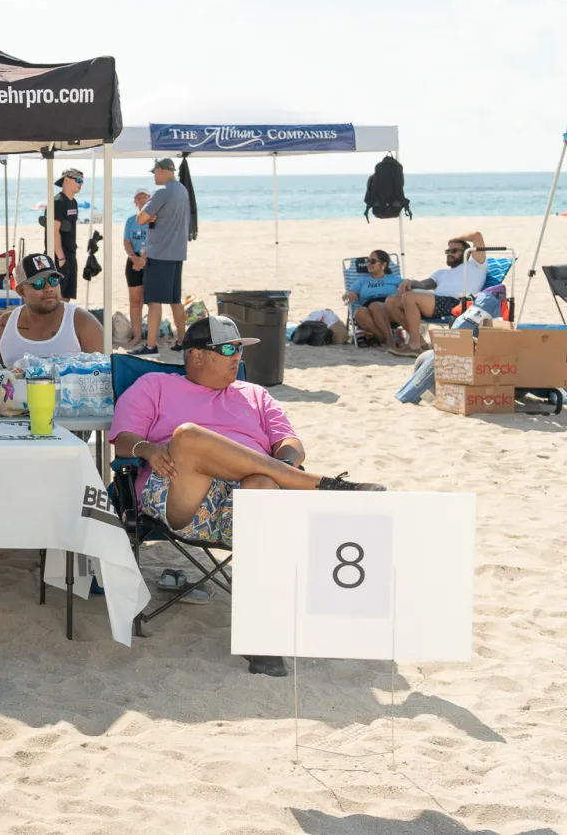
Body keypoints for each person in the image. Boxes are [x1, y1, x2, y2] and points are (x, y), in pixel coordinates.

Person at [109, 315, 386, 676]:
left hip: (244, 507)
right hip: (183, 492)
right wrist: (147, 450)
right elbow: (123, 439)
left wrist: (279, 464)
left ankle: (261, 637)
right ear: (195, 355)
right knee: (189, 437)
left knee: (263, 483)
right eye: (227, 349)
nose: (236, 356)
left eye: (239, 349)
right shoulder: (155, 385)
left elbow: (290, 444)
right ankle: (319, 486)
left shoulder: (255, 394)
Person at [383, 231, 488, 357]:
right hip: (435, 302)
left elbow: (477, 235)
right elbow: (423, 285)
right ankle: (421, 344)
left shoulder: (477, 265)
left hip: (456, 303)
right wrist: (409, 282)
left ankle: (413, 345)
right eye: (448, 251)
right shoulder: (441, 273)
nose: (449, 254)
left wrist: (454, 238)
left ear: (469, 252)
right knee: (391, 302)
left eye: (454, 251)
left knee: (409, 297)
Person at [0, 254, 104, 364]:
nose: (48, 288)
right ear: (21, 290)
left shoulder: (82, 322)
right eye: (39, 283)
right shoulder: (5, 325)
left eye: (53, 280)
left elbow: (105, 373)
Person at [133, 158, 190, 355]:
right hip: (177, 253)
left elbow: (140, 218)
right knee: (175, 300)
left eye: (155, 172)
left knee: (154, 301)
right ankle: (183, 341)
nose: (154, 176)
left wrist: (148, 214)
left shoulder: (163, 191)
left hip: (160, 253)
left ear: (162, 170)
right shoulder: (182, 190)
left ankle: (151, 346)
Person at [341, 249, 403, 348]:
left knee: (375, 305)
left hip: (390, 309)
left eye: (373, 261)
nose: (369, 264)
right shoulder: (362, 280)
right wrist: (349, 293)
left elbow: (408, 291)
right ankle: (385, 338)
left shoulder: (394, 279)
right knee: (358, 312)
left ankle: (388, 341)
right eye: (368, 261)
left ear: (383, 265)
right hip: (368, 311)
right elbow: (345, 296)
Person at [40, 167, 84, 301]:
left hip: (70, 253)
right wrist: (60, 257)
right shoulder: (57, 202)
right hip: (58, 255)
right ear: (66, 180)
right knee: (56, 295)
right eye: (77, 180)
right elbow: (53, 231)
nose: (80, 184)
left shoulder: (74, 202)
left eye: (82, 181)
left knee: (67, 296)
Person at [122, 188, 152, 346]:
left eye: (144, 197)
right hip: (133, 261)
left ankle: (152, 338)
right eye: (138, 198)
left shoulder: (155, 219)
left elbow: (156, 241)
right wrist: (134, 258)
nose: (141, 200)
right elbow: (126, 242)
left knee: (153, 301)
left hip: (151, 261)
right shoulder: (130, 220)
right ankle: (137, 336)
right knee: (135, 301)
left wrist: (144, 259)